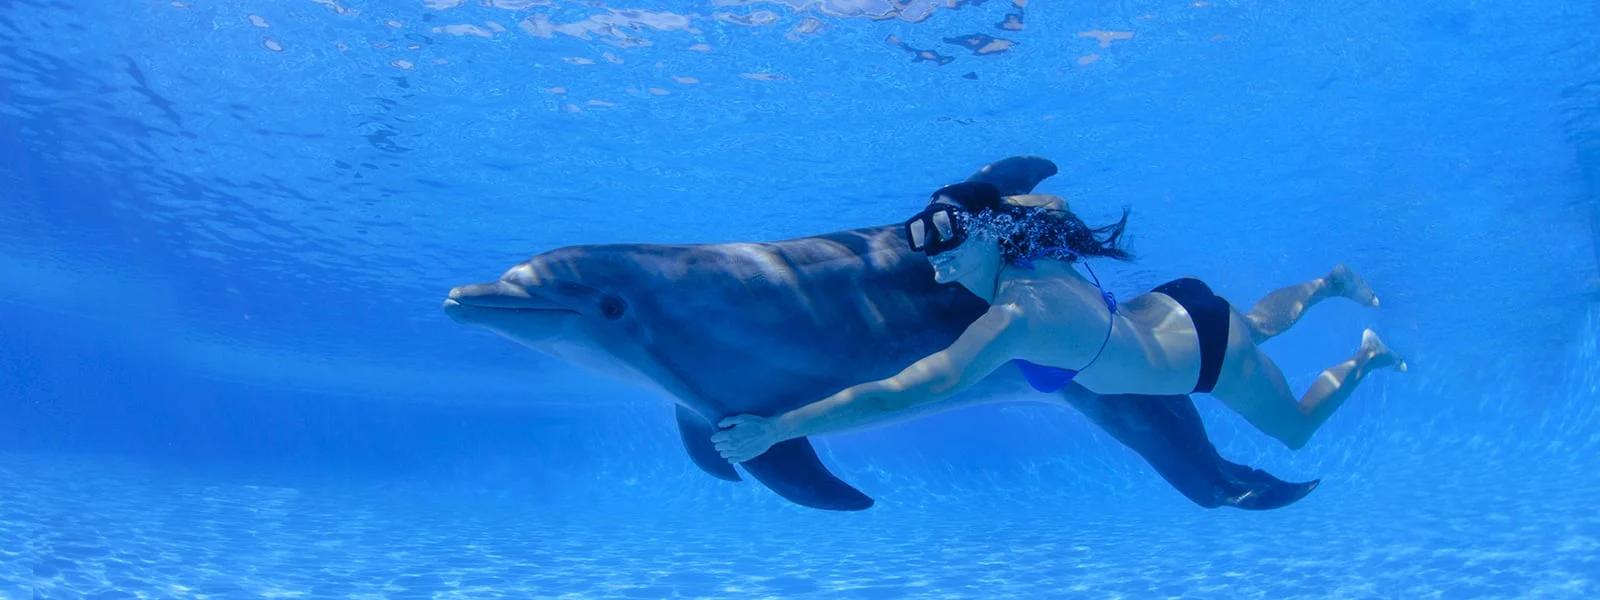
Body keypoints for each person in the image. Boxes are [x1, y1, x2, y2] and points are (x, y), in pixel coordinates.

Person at [711, 181, 1408, 463]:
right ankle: (1328, 283)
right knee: (1257, 320)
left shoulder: (1014, 317)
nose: (936, 267)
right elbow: (1051, 197)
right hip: (1179, 307)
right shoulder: (1034, 249)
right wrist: (996, 208)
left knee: (1295, 432)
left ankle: (1366, 356)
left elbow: (907, 390)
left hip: (1203, 360)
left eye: (949, 248)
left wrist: (780, 428)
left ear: (986, 235)